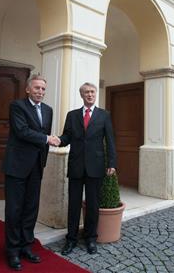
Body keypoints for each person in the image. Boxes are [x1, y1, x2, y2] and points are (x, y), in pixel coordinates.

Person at [3, 75, 59, 271]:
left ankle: (26, 246)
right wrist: (47, 139)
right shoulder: (17, 106)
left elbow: (40, 138)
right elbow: (21, 131)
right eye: (37, 88)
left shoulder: (48, 110)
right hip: (17, 166)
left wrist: (46, 141)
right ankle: (12, 251)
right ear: (28, 89)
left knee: (30, 209)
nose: (41, 92)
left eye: (43, 89)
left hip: (36, 166)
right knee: (14, 210)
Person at [59, 82, 117, 256]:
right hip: (76, 166)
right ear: (81, 95)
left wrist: (112, 163)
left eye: (92, 92)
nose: (90, 95)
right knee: (74, 205)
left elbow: (110, 140)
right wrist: (58, 140)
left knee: (93, 205)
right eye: (86, 92)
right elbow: (67, 136)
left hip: (96, 167)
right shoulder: (72, 115)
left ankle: (91, 238)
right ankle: (71, 239)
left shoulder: (104, 115)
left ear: (95, 94)